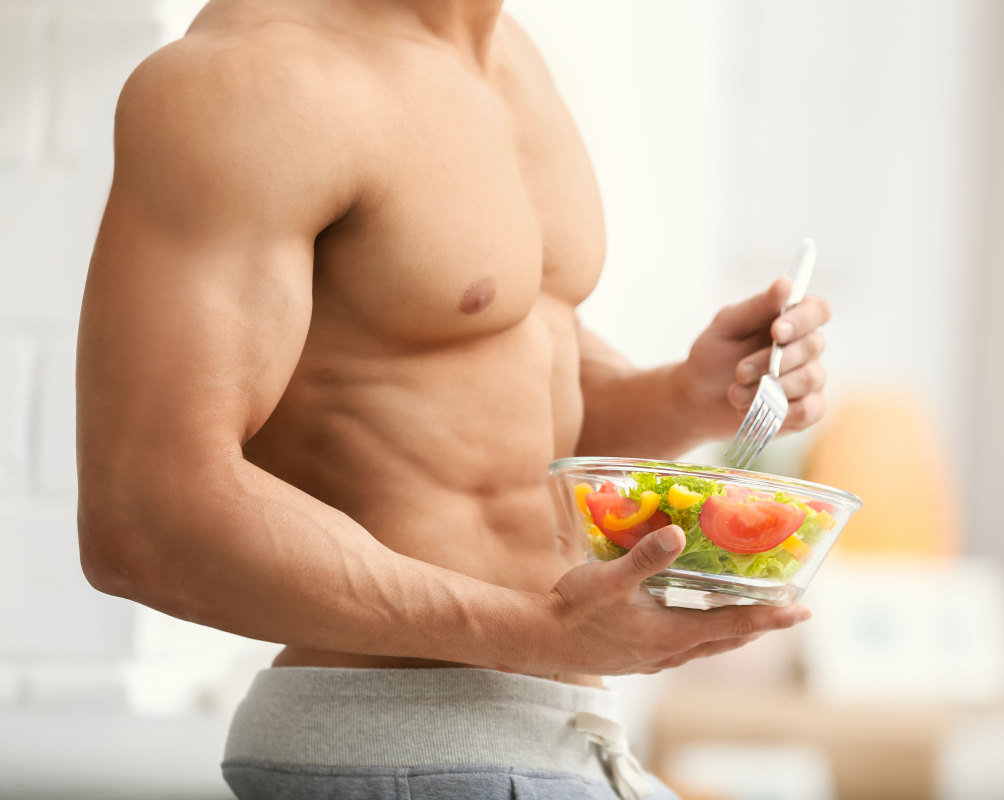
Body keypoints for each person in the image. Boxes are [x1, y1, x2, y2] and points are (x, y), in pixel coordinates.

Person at [76, 1, 832, 798]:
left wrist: (687, 397)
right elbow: (144, 512)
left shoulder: (509, 60)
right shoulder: (257, 78)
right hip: (401, 745)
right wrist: (535, 632)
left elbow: (509, 417)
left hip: (560, 735)